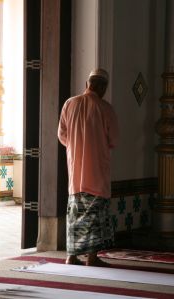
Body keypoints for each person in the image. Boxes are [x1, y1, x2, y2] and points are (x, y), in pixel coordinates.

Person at [57, 68, 119, 266]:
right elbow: (114, 140)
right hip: (97, 174)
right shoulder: (105, 108)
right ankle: (92, 257)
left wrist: (77, 146)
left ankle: (71, 256)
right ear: (102, 87)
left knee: (74, 214)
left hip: (76, 173)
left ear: (87, 84)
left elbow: (62, 135)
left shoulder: (69, 103)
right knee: (95, 217)